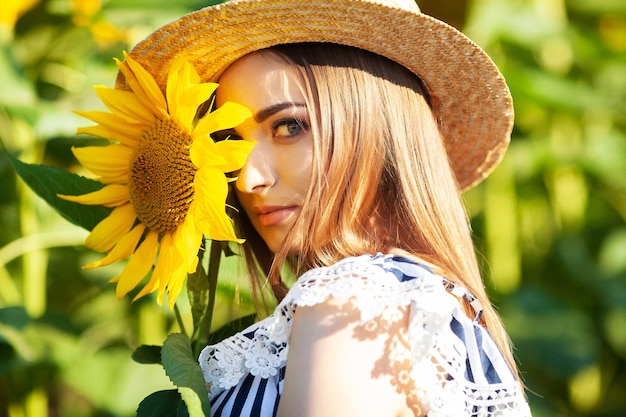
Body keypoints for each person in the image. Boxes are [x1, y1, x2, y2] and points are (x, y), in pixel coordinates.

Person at [116, 0, 532, 415]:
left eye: (289, 127)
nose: (246, 179)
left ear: (374, 122)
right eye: (230, 142)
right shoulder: (427, 304)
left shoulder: (349, 302)